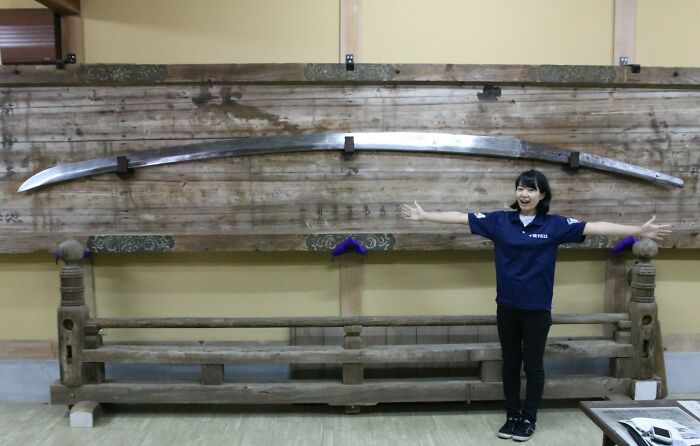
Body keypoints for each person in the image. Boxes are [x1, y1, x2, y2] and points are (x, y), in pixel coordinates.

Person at [400, 169, 672, 442]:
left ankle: (529, 418)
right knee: (509, 364)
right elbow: (462, 218)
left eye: (531, 189)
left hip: (538, 309)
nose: (524, 194)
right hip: (506, 307)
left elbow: (596, 226)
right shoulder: (500, 221)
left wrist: (639, 230)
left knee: (533, 366)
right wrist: (424, 215)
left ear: (542, 195)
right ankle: (512, 416)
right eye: (520, 188)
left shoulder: (554, 225)